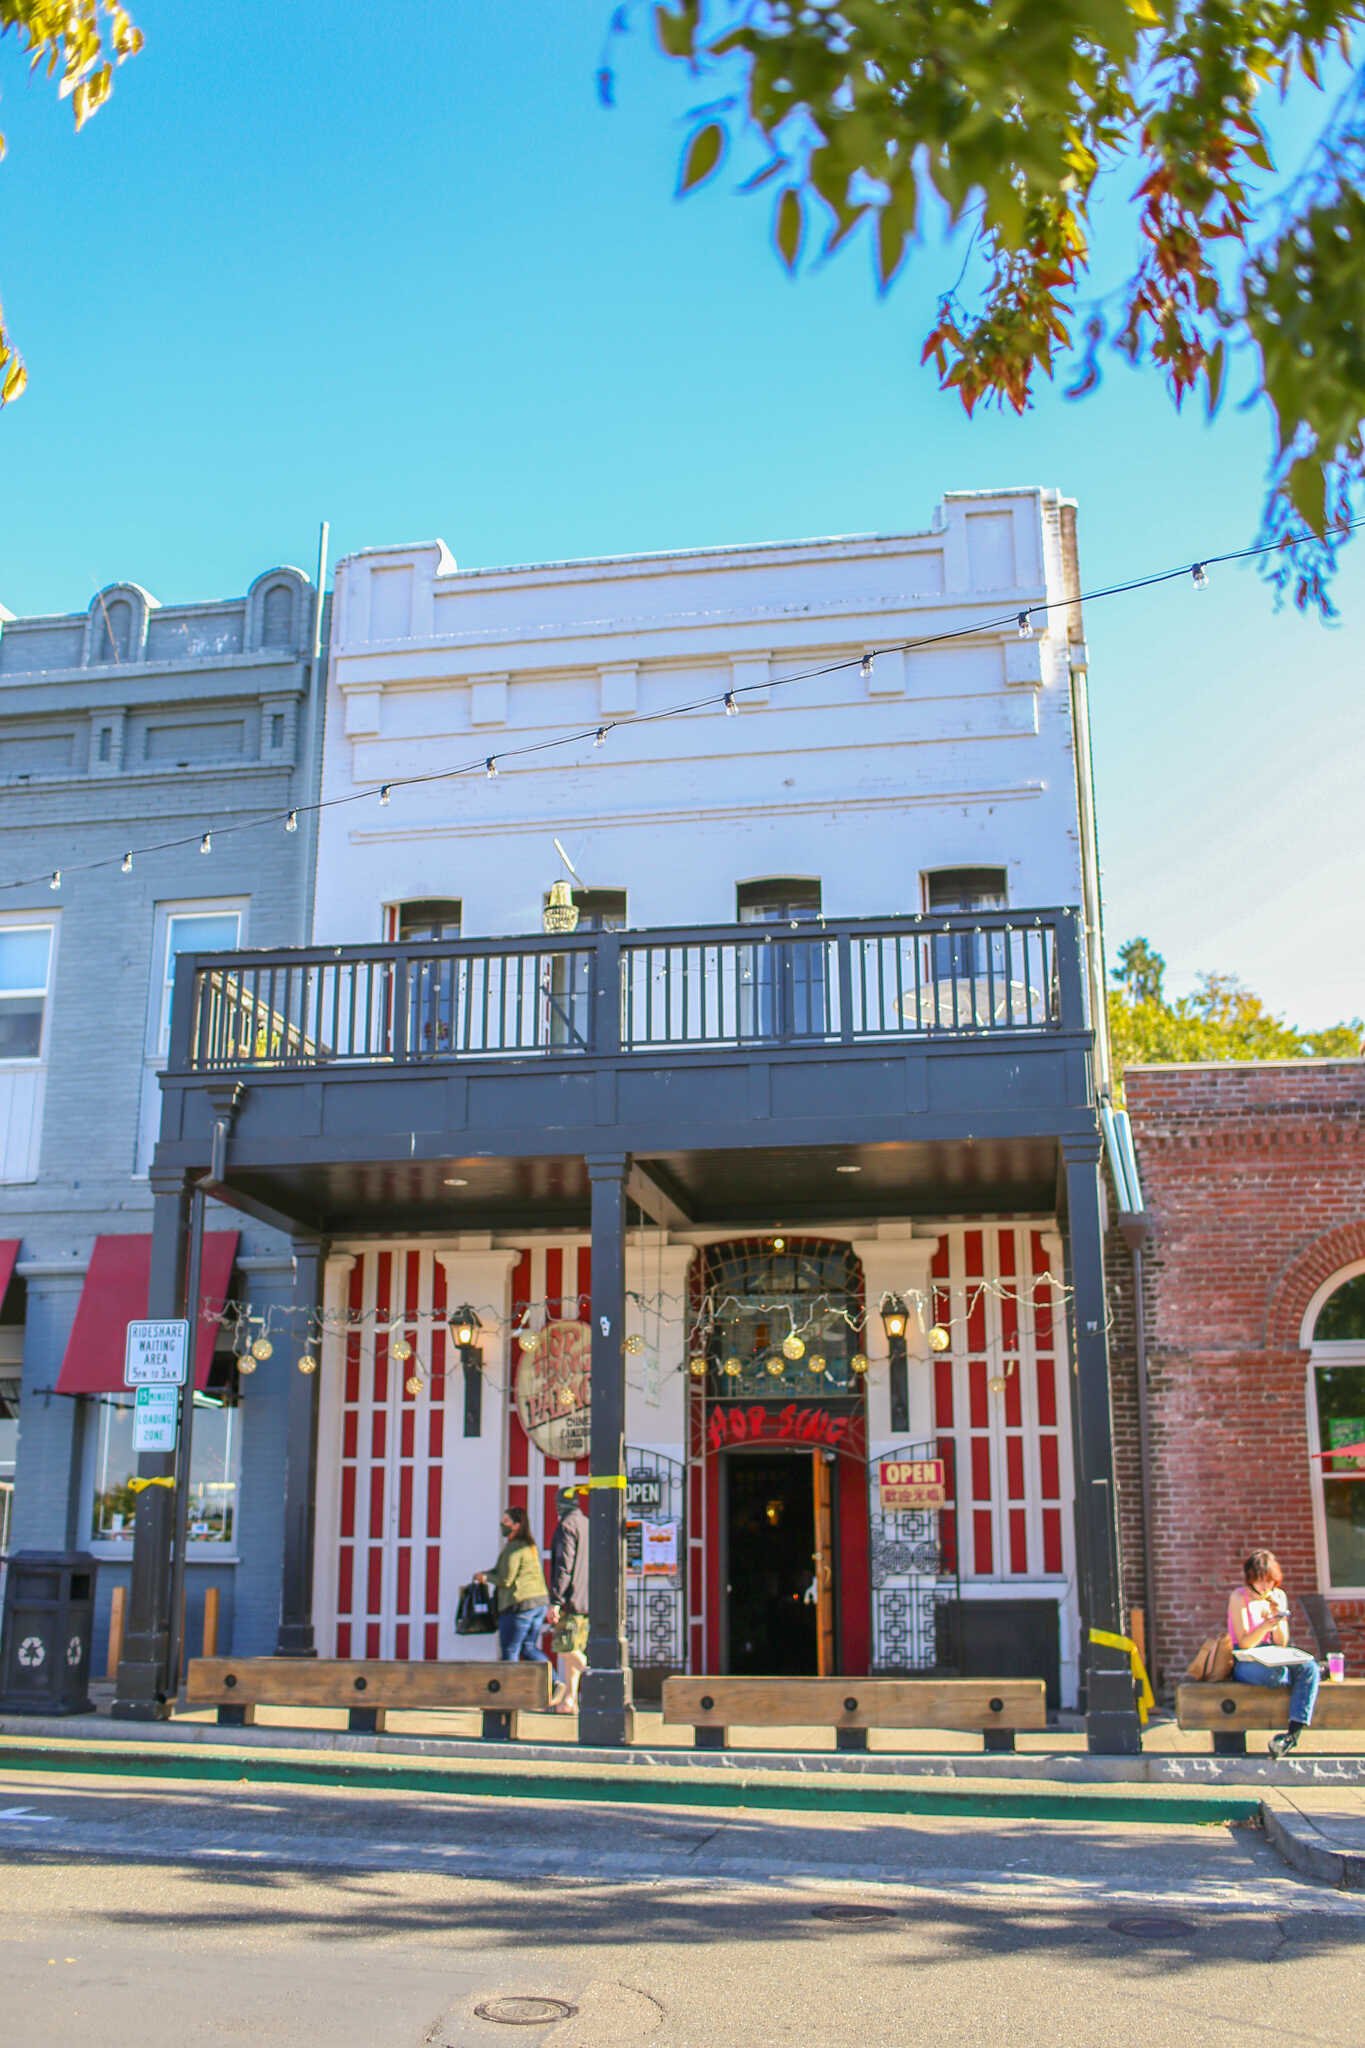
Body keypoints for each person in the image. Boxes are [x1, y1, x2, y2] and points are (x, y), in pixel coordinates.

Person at [1228, 1547, 1321, 1758]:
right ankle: (1297, 1687)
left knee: (1309, 1668)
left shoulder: (1278, 1596)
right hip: (1247, 1658)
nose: (1265, 1586)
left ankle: (1292, 1734)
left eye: (1269, 1581)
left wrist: (1278, 1617)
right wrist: (1265, 1625)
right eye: (1261, 1580)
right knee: (1278, 1675)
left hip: (1274, 1654)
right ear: (1251, 1578)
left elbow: (1282, 1641)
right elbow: (1244, 1643)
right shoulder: (1239, 1597)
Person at [475, 1505, 549, 1663]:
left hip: (519, 1605)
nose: (502, 1524)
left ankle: (511, 1687)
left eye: (506, 1521)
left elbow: (506, 1579)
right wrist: (487, 1574)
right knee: (528, 1648)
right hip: (538, 1603)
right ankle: (554, 1682)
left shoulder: (514, 1547)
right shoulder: (529, 1545)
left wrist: (486, 1578)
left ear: (516, 1525)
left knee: (510, 1651)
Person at [547, 1485, 590, 1713]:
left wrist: (555, 1599)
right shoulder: (586, 1524)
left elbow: (564, 1565)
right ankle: (570, 1701)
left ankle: (598, 1675)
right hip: (585, 1598)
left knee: (565, 1648)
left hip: (570, 1599)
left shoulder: (566, 1527)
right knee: (571, 1649)